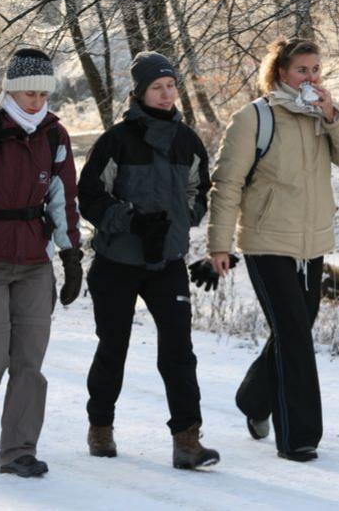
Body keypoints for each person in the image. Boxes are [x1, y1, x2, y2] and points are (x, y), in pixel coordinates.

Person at [207, 37, 339, 462]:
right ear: (280, 72)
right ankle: (299, 436)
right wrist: (219, 245)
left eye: (316, 69)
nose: (311, 77)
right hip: (266, 243)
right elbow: (226, 184)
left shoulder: (320, 117)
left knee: (296, 327)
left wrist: (333, 115)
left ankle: (252, 398)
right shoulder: (253, 119)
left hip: (312, 244)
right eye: (302, 70)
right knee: (295, 337)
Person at [0, 48, 83, 478]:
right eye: (28, 93)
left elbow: (63, 198)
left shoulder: (55, 136)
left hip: (34, 263)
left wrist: (71, 253)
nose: (36, 101)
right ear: (10, 89)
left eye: (43, 93)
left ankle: (19, 450)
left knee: (29, 362)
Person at [77, 51, 219, 470]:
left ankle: (187, 440)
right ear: (139, 93)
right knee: (113, 347)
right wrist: (131, 220)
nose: (165, 93)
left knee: (179, 350)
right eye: (156, 87)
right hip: (116, 262)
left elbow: (199, 192)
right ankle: (100, 426)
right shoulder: (116, 141)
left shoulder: (187, 141)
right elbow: (90, 196)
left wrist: (177, 223)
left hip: (167, 263)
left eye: (171, 86)